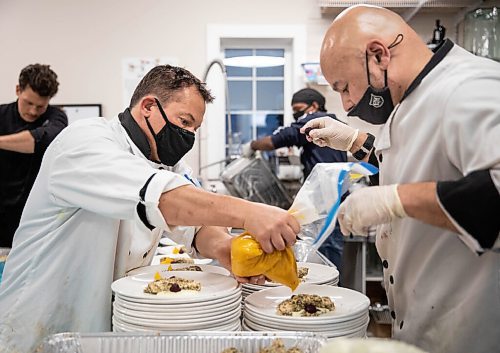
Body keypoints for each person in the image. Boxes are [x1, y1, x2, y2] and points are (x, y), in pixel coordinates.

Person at [0, 65, 300, 353]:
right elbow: (167, 200)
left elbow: (197, 227)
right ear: (147, 107)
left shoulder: (166, 162)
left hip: (100, 326)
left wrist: (226, 249)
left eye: (194, 128)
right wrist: (250, 213)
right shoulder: (86, 141)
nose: (188, 136)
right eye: (184, 122)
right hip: (38, 325)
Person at [301, 5, 499, 353]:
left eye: (345, 87)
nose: (347, 105)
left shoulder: (467, 88)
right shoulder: (412, 96)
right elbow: (421, 165)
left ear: (378, 55)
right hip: (427, 322)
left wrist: (393, 200)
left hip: (472, 330)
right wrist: (355, 141)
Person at [242, 88, 347, 270]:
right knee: (329, 249)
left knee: (327, 251)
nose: (296, 114)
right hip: (334, 196)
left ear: (314, 106)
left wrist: (252, 145)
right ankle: (328, 288)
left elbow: (277, 140)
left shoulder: (317, 122)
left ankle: (328, 290)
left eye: (298, 108)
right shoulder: (335, 123)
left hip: (326, 199)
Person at [0, 64, 68, 247]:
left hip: (37, 217)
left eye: (40, 106)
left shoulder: (57, 117)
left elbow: (40, 141)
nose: (33, 111)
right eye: (28, 103)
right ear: (17, 90)